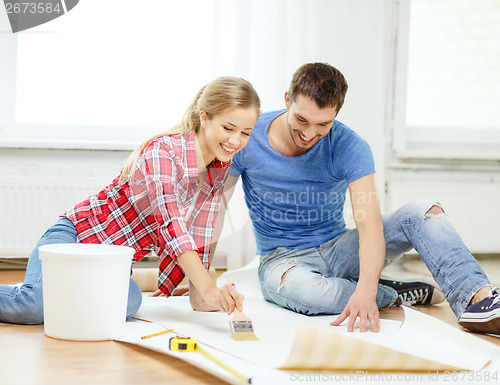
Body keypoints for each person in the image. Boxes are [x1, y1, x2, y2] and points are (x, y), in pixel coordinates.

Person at [223, 62, 498, 335]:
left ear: (336, 114)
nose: (308, 134)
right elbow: (216, 206)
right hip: (282, 260)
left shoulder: (351, 147)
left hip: (338, 249)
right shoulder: (247, 136)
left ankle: (478, 300)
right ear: (287, 100)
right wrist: (201, 278)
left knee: (424, 212)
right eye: (302, 120)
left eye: (323, 125)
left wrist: (365, 290)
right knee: (308, 293)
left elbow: (369, 226)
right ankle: (389, 293)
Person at [0, 76, 261, 325]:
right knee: (32, 306)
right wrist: (209, 288)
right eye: (228, 128)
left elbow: (201, 232)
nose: (235, 141)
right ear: (204, 117)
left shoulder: (218, 169)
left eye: (246, 133)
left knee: (129, 301)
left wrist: (204, 297)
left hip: (109, 265)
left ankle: (54, 292)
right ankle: (40, 292)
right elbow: (172, 226)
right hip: (74, 239)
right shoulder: (163, 152)